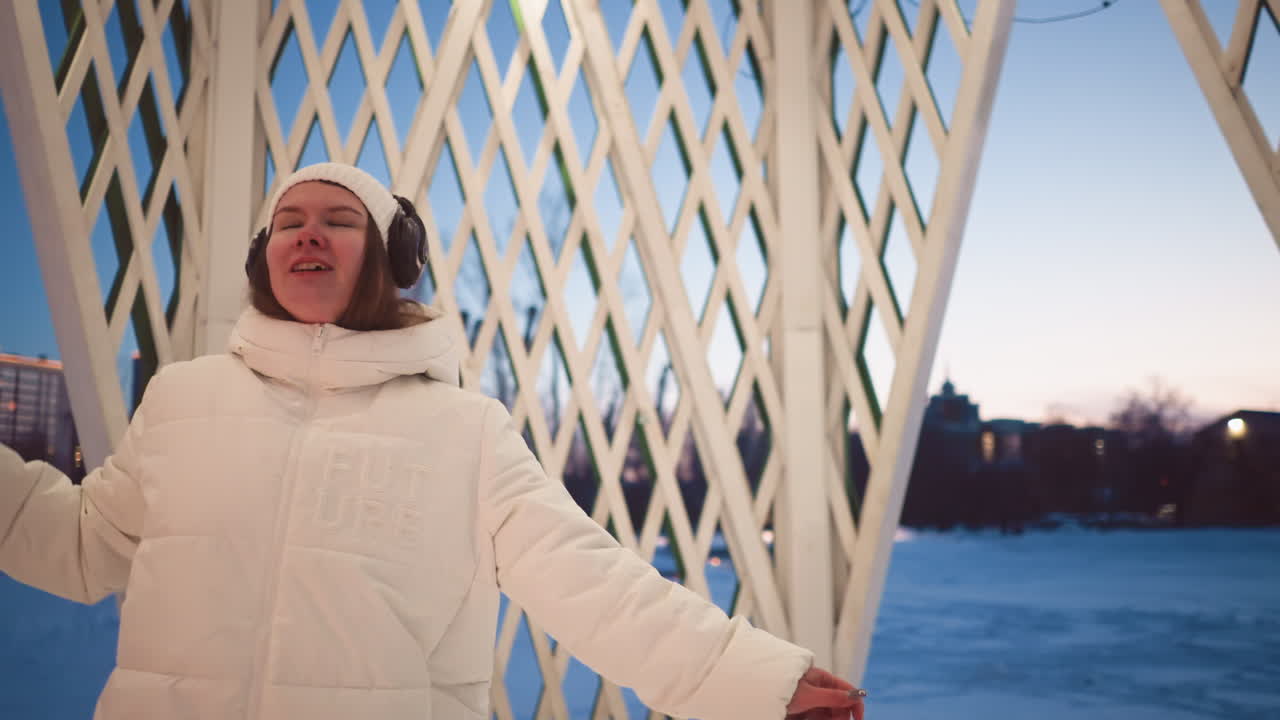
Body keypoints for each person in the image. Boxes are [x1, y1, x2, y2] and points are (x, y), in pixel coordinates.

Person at [0, 162, 866, 720]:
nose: (308, 231)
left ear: (389, 257)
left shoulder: (464, 432)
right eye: (290, 220)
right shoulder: (182, 401)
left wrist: (748, 680)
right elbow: (80, 546)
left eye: (338, 220)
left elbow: (590, 583)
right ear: (264, 258)